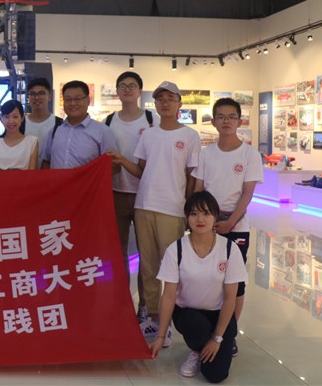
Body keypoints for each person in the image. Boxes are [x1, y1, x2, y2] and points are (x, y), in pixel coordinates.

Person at [107, 80, 201, 347]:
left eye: (170, 98)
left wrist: (189, 209)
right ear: (155, 104)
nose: (165, 103)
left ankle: (169, 322)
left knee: (171, 268)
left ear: (179, 103)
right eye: (160, 99)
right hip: (144, 206)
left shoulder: (190, 136)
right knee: (148, 268)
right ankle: (154, 318)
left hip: (172, 209)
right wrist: (123, 161)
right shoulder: (148, 135)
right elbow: (142, 171)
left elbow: (192, 176)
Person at [149, 191, 246, 382]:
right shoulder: (176, 249)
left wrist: (217, 338)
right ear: (187, 217)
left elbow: (230, 298)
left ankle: (211, 346)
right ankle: (197, 349)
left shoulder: (229, 249)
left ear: (215, 216)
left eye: (206, 213)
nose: (200, 219)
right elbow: (168, 295)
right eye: (194, 213)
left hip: (219, 314)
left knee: (216, 375)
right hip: (188, 314)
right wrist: (160, 337)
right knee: (197, 327)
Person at [193, 97, 263, 356]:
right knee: (207, 280)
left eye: (231, 117)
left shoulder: (249, 154)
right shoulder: (205, 154)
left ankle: (228, 334)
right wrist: (203, 222)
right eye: (221, 116)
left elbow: (247, 193)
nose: (226, 121)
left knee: (234, 283)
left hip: (237, 227)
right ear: (213, 121)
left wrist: (231, 222)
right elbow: (199, 191)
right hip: (206, 227)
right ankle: (207, 332)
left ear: (239, 121)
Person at [105, 71, 153, 322]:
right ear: (117, 91)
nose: (127, 89)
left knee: (146, 254)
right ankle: (122, 303)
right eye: (122, 85)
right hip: (116, 194)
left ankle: (145, 305)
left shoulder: (151, 119)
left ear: (140, 91)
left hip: (145, 195)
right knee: (118, 253)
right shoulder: (109, 120)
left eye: (132, 86)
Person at [40, 80, 119, 174]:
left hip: (87, 183)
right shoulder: (55, 130)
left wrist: (88, 171)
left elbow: (115, 167)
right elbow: (47, 161)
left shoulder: (103, 131)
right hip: (57, 183)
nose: (73, 103)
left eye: (78, 99)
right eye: (68, 99)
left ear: (88, 100)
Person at [0, 99, 39, 170]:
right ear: (2, 118)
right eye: (7, 117)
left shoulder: (32, 142)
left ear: (22, 118)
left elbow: (32, 173)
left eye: (15, 117)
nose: (11, 121)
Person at [24, 77, 62, 168]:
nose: (36, 97)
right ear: (28, 98)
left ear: (49, 96)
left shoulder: (59, 124)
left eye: (41, 93)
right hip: (24, 173)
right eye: (32, 94)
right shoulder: (20, 123)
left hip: (50, 173)